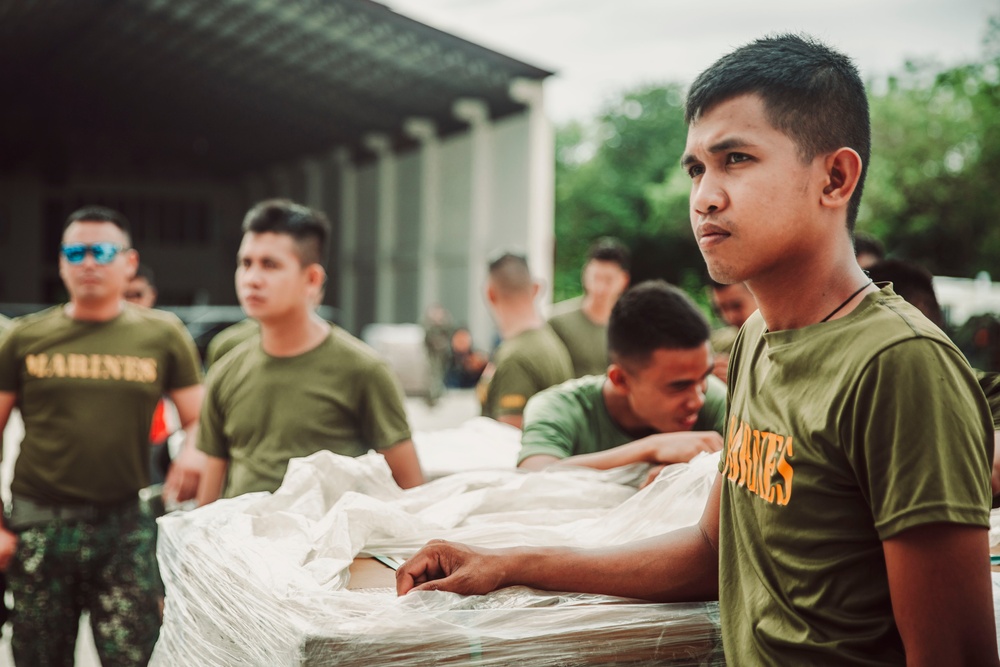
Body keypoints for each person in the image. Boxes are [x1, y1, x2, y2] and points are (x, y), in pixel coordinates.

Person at [396, 35, 997, 666]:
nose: (704, 196)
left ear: (835, 177)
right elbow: (714, 548)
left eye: (735, 158)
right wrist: (507, 561)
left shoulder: (899, 366)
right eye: (695, 168)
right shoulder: (756, 341)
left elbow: (953, 655)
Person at [0, 205, 205, 666]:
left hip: (124, 526)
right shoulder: (24, 338)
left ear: (128, 262)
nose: (88, 262)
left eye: (101, 251)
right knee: (38, 658)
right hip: (39, 526)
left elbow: (200, 419)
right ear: (60, 263)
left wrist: (193, 452)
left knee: (135, 657)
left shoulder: (162, 334)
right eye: (75, 252)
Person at [196, 199, 424, 504]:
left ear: (312, 279)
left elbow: (410, 490)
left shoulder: (364, 370)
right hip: (239, 545)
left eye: (270, 264)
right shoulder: (226, 370)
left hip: (332, 548)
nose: (251, 279)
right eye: (245, 263)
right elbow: (209, 496)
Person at [518, 280, 725, 486]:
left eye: (704, 377)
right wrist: (651, 448)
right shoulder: (559, 407)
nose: (698, 399)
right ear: (621, 380)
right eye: (679, 386)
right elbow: (533, 477)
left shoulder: (716, 399)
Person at [477, 252, 573, 429]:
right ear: (535, 289)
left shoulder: (515, 358)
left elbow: (509, 440)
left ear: (490, 293)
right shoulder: (549, 339)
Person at [548, 237, 631, 378]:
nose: (600, 288)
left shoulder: (630, 327)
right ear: (585, 274)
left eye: (608, 280)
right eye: (595, 278)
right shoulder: (558, 323)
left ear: (623, 280)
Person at [706, 279, 757, 382]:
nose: (729, 317)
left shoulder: (780, 341)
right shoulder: (721, 345)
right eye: (721, 309)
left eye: (736, 306)